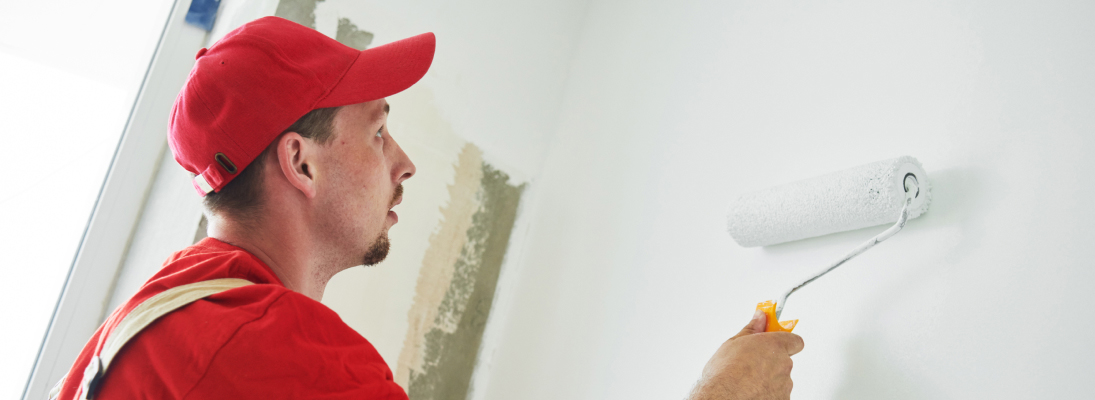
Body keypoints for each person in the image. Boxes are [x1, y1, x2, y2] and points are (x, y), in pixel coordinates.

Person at [54, 16, 802, 400]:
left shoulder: (147, 327)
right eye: (377, 132)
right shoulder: (269, 346)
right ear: (300, 161)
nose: (403, 162)